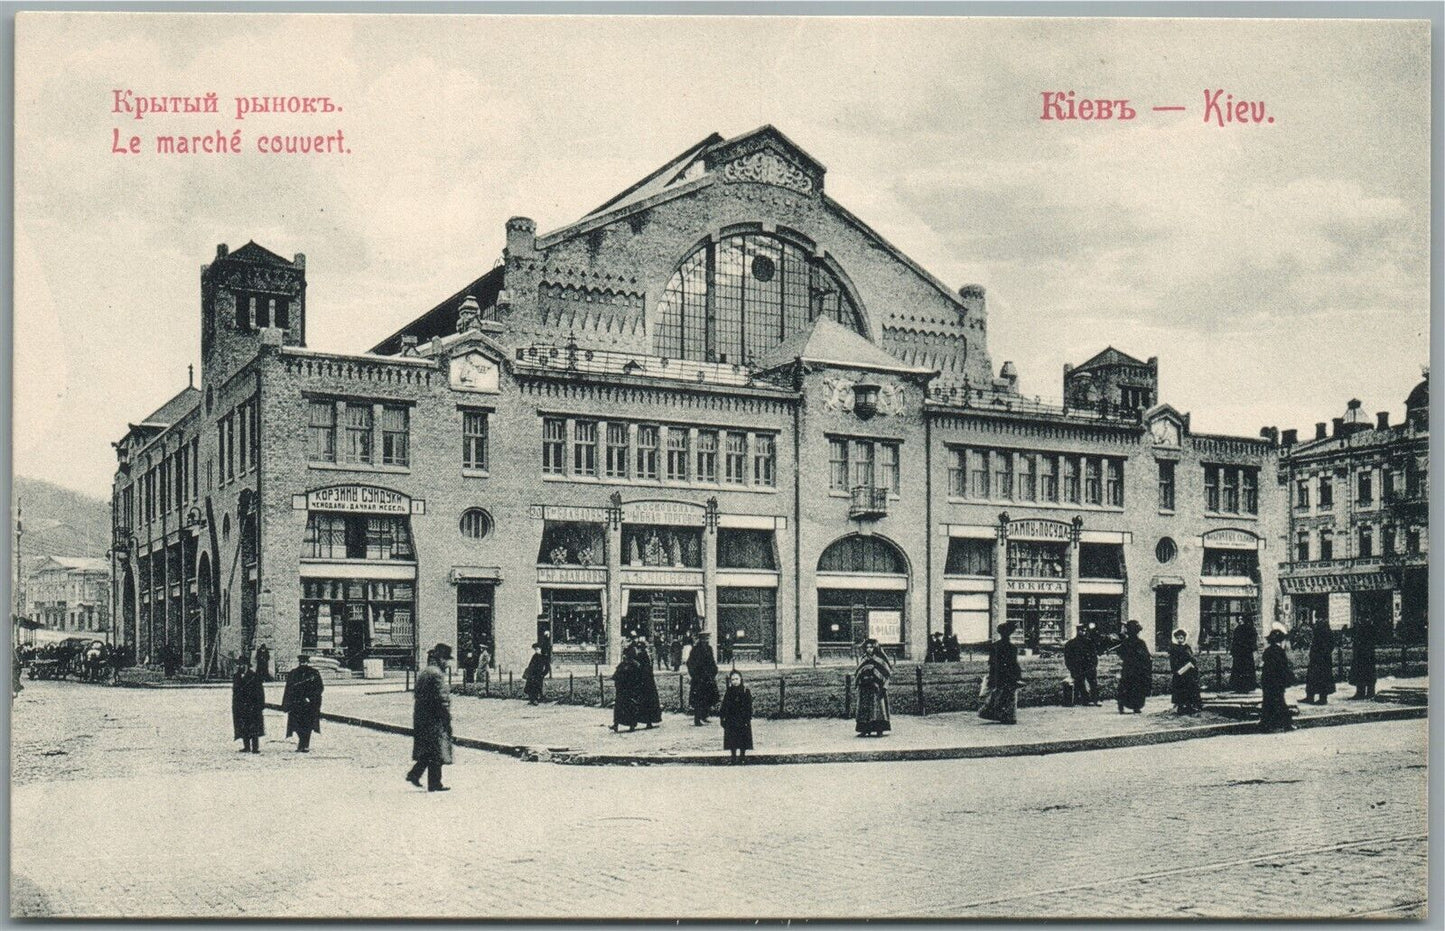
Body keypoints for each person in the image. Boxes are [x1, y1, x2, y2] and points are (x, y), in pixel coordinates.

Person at [408, 644, 454, 791]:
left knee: (428, 749)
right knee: (436, 750)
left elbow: (417, 694)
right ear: (440, 659)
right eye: (446, 659)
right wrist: (446, 717)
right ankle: (434, 783)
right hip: (434, 717)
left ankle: (415, 774)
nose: (447, 663)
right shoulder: (437, 674)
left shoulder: (425, 671)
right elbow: (442, 699)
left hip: (422, 716)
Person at [978, 621, 1023, 724]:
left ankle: (997, 714)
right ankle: (1009, 716)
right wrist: (1018, 676)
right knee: (1010, 695)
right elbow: (1013, 664)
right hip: (1009, 675)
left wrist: (992, 675)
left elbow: (991, 663)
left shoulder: (995, 646)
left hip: (998, 674)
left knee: (998, 694)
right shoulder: (1012, 647)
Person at [281, 654, 324, 752]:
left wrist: (311, 697)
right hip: (297, 703)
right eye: (301, 662)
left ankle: (304, 745)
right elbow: (288, 688)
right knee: (296, 725)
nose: (303, 664)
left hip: (309, 704)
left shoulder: (314, 673)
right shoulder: (294, 673)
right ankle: (302, 742)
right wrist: (289, 702)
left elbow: (320, 688)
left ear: (308, 663)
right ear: (299, 662)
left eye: (304, 662)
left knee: (308, 725)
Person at [1259, 624, 1295, 732]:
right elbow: (1283, 668)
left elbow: (1265, 665)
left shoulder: (1267, 651)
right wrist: (1287, 680)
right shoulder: (1280, 652)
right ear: (1280, 641)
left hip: (1267, 681)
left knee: (1267, 703)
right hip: (1277, 682)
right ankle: (1287, 725)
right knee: (1280, 703)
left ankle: (1265, 725)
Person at [854, 639, 893, 736]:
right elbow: (859, 671)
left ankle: (879, 729)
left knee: (878, 707)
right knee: (864, 707)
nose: (869, 649)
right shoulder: (864, 658)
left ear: (875, 648)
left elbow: (886, 673)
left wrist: (883, 685)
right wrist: (860, 679)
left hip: (877, 687)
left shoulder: (880, 659)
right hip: (865, 686)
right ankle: (864, 729)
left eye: (871, 647)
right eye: (867, 647)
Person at [1115, 620, 1152, 714]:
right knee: (1134, 687)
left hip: (1130, 668)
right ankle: (1135, 706)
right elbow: (1146, 656)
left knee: (1128, 687)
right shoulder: (1139, 642)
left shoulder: (1128, 642)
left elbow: (1120, 653)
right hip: (1135, 668)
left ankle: (1124, 705)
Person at [231, 655, 265, 753]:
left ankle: (255, 748)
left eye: (242, 665)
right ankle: (246, 747)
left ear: (247, 665)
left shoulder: (254, 676)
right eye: (239, 665)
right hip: (241, 706)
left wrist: (260, 705)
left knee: (254, 727)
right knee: (243, 726)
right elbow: (235, 693)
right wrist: (235, 706)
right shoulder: (236, 677)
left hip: (253, 706)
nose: (240, 667)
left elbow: (260, 692)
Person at [719, 669, 753, 763]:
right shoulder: (729, 691)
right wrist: (722, 717)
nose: (735, 681)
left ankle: (742, 757)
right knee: (732, 739)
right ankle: (733, 757)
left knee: (743, 738)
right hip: (731, 719)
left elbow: (749, 706)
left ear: (741, 679)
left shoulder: (745, 691)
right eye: (732, 679)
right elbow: (724, 705)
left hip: (742, 719)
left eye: (736, 679)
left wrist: (747, 718)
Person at [686, 630, 720, 726]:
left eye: (708, 639)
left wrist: (714, 670)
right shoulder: (696, 649)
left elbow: (712, 661)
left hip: (708, 677)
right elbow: (689, 663)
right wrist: (694, 674)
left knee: (708, 697)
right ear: (701, 639)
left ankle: (704, 716)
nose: (707, 640)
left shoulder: (709, 648)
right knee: (698, 699)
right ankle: (697, 719)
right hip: (699, 679)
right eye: (705, 639)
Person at [1063, 622, 1100, 706]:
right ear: (1077, 631)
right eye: (1081, 631)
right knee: (1080, 683)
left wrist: (1094, 665)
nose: (1083, 632)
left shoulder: (1089, 643)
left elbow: (1094, 655)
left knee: (1093, 683)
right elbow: (1068, 658)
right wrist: (1071, 668)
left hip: (1089, 667)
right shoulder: (1071, 644)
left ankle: (1095, 700)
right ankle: (1085, 699)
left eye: (1084, 631)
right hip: (1078, 667)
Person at [1168, 629, 1202, 715]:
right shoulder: (1174, 648)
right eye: (1178, 638)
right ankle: (1180, 706)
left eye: (1181, 638)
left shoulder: (1187, 647)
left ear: (1184, 638)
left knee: (1189, 688)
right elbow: (1173, 660)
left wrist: (1192, 665)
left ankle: (1190, 705)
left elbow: (1191, 658)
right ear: (1175, 638)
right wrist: (1176, 670)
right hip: (1179, 672)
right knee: (1179, 689)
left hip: (1188, 672)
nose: (1180, 640)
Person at [1304, 615, 1336, 705]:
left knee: (1323, 679)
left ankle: (1323, 699)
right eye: (1317, 618)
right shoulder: (1317, 629)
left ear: (1325, 619)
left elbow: (1331, 645)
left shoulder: (1327, 630)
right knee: (1311, 677)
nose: (1318, 619)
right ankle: (1310, 697)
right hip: (1315, 658)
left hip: (1323, 660)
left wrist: (1323, 653)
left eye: (1320, 618)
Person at [631, 639, 662, 728]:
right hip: (648, 681)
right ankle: (649, 721)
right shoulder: (645, 655)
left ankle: (647, 721)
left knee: (644, 701)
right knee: (649, 701)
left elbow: (639, 668)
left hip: (644, 681)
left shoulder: (641, 655)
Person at [610, 647, 641, 732]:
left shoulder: (622, 665)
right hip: (631, 690)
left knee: (619, 706)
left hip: (622, 690)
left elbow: (616, 676)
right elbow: (639, 678)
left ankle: (616, 724)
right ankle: (631, 725)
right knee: (631, 706)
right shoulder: (636, 665)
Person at [1348, 617, 1377, 700]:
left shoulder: (1368, 628)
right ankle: (1363, 692)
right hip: (1363, 655)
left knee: (1366, 674)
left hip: (1366, 655)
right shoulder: (1361, 627)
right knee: (1362, 674)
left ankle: (1368, 692)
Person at [1228, 618, 1259, 692]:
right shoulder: (1242, 629)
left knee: (1243, 669)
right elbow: (1235, 641)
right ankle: (1242, 686)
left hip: (1243, 653)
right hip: (1243, 653)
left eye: (1241, 619)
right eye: (1239, 619)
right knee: (1242, 669)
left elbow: (1252, 641)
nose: (1240, 620)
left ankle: (1243, 686)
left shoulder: (1246, 629)